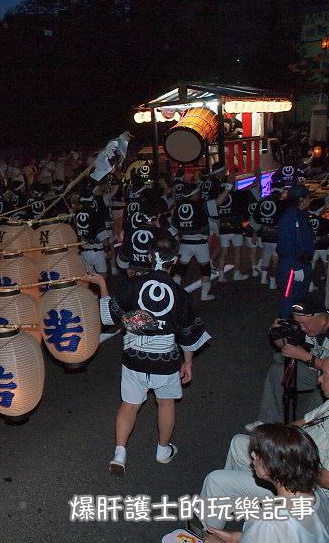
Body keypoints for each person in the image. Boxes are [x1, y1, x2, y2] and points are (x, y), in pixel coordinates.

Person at [81, 231, 210, 476]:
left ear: (151, 257)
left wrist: (102, 285)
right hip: (166, 361)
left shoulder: (132, 286)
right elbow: (187, 336)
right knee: (166, 403)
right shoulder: (180, 295)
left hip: (134, 358)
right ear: (175, 259)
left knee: (129, 405)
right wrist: (188, 363)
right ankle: (163, 450)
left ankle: (119, 454)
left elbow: (108, 317)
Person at [195, 370, 329, 532]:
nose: (320, 378)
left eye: (326, 374)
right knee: (239, 443)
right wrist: (274, 440)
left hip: (312, 492)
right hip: (296, 458)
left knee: (216, 481)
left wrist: (286, 462)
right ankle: (236, 504)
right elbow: (304, 422)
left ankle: (209, 533)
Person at [203, 424, 329, 543]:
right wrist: (236, 537)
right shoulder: (316, 495)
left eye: (258, 454)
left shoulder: (268, 523)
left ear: (269, 470)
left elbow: (271, 533)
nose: (252, 454)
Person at [246, 298, 329, 430]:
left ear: (322, 321)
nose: (301, 327)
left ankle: (303, 435)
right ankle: (268, 423)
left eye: (304, 323)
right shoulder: (308, 327)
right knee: (277, 372)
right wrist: (277, 335)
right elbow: (285, 347)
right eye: (298, 323)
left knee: (318, 398)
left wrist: (306, 356)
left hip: (325, 376)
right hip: (315, 371)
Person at [170, 182, 230, 301]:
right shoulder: (201, 205)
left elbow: (174, 226)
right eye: (198, 192)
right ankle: (204, 294)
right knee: (205, 269)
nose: (200, 194)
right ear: (194, 194)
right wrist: (228, 188)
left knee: (180, 269)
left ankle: (173, 293)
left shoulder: (178, 208)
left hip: (185, 243)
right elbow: (218, 202)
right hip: (200, 243)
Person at [276, 184, 315, 317]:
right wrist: (296, 266)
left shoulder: (300, 215)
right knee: (289, 300)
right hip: (293, 266)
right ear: (301, 200)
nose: (310, 200)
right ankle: (284, 329)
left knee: (300, 299)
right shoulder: (290, 217)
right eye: (308, 197)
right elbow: (286, 244)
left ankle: (296, 327)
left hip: (302, 263)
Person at [215, 172, 252, 282]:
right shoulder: (237, 194)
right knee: (237, 251)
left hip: (223, 226)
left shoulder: (219, 195)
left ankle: (221, 275)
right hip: (236, 227)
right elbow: (249, 188)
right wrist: (257, 176)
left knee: (223, 252)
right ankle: (237, 274)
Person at [252, 185, 285, 290]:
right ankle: (272, 282)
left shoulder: (262, 202)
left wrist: (255, 233)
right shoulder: (282, 204)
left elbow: (256, 219)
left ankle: (263, 278)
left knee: (266, 255)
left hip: (264, 233)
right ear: (281, 192)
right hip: (277, 234)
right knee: (275, 258)